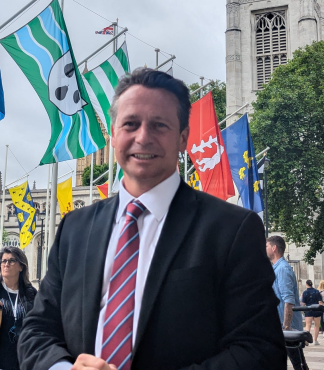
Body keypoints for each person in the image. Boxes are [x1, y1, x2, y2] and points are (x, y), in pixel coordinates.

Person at [18, 68, 286, 370]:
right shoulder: (75, 228)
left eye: (159, 125)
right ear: (115, 133)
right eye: (130, 124)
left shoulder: (233, 229)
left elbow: (260, 350)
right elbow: (37, 331)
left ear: (183, 139)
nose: (143, 137)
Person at [266, 235, 307, 369]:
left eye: (266, 246)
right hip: (281, 326)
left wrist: (286, 327)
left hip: (286, 328)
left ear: (274, 248)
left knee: (297, 363)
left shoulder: (282, 269)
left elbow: (288, 300)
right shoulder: (277, 268)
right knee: (297, 363)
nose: (264, 249)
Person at [301, 279, 323, 345]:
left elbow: (303, 303)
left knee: (308, 325)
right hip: (317, 310)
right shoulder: (317, 292)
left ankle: (307, 340)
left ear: (306, 284)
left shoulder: (305, 292)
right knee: (316, 326)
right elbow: (320, 302)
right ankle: (315, 340)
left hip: (308, 310)